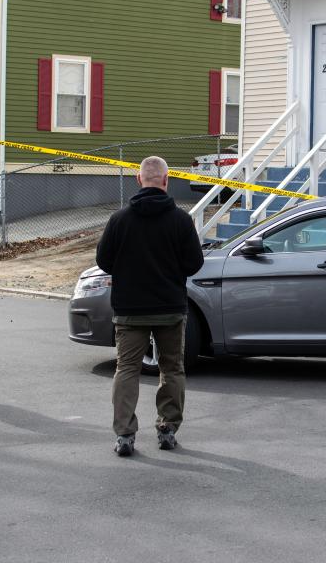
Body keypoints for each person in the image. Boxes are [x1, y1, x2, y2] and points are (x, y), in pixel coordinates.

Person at [96, 156, 204, 457]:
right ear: (166, 181)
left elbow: (104, 261)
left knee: (127, 369)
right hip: (170, 308)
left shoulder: (120, 219)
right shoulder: (181, 221)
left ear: (139, 180)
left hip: (130, 310)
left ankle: (125, 435)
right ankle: (168, 428)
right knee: (172, 369)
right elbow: (195, 264)